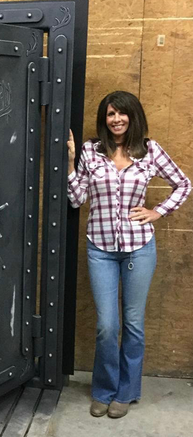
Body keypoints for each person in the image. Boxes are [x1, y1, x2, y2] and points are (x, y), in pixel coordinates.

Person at [67, 91, 191, 419]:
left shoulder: (149, 151)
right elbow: (77, 198)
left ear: (133, 116)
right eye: (110, 114)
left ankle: (126, 391)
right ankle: (104, 389)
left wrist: (157, 212)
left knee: (133, 323)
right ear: (103, 119)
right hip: (101, 250)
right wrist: (69, 164)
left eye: (122, 114)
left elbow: (183, 184)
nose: (116, 119)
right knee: (107, 325)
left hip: (139, 248)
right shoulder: (91, 152)